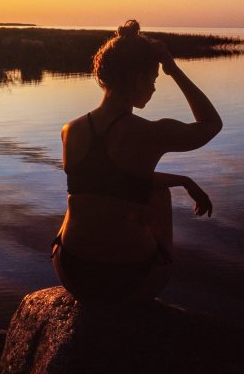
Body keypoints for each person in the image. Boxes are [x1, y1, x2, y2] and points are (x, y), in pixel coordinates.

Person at [52, 19, 222, 303]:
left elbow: (112, 182)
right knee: (159, 195)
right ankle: (151, 263)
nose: (155, 89)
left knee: (89, 196)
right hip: (128, 279)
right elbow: (210, 125)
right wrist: (173, 68)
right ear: (137, 79)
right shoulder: (150, 133)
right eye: (154, 79)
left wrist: (184, 180)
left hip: (69, 271)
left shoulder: (70, 130)